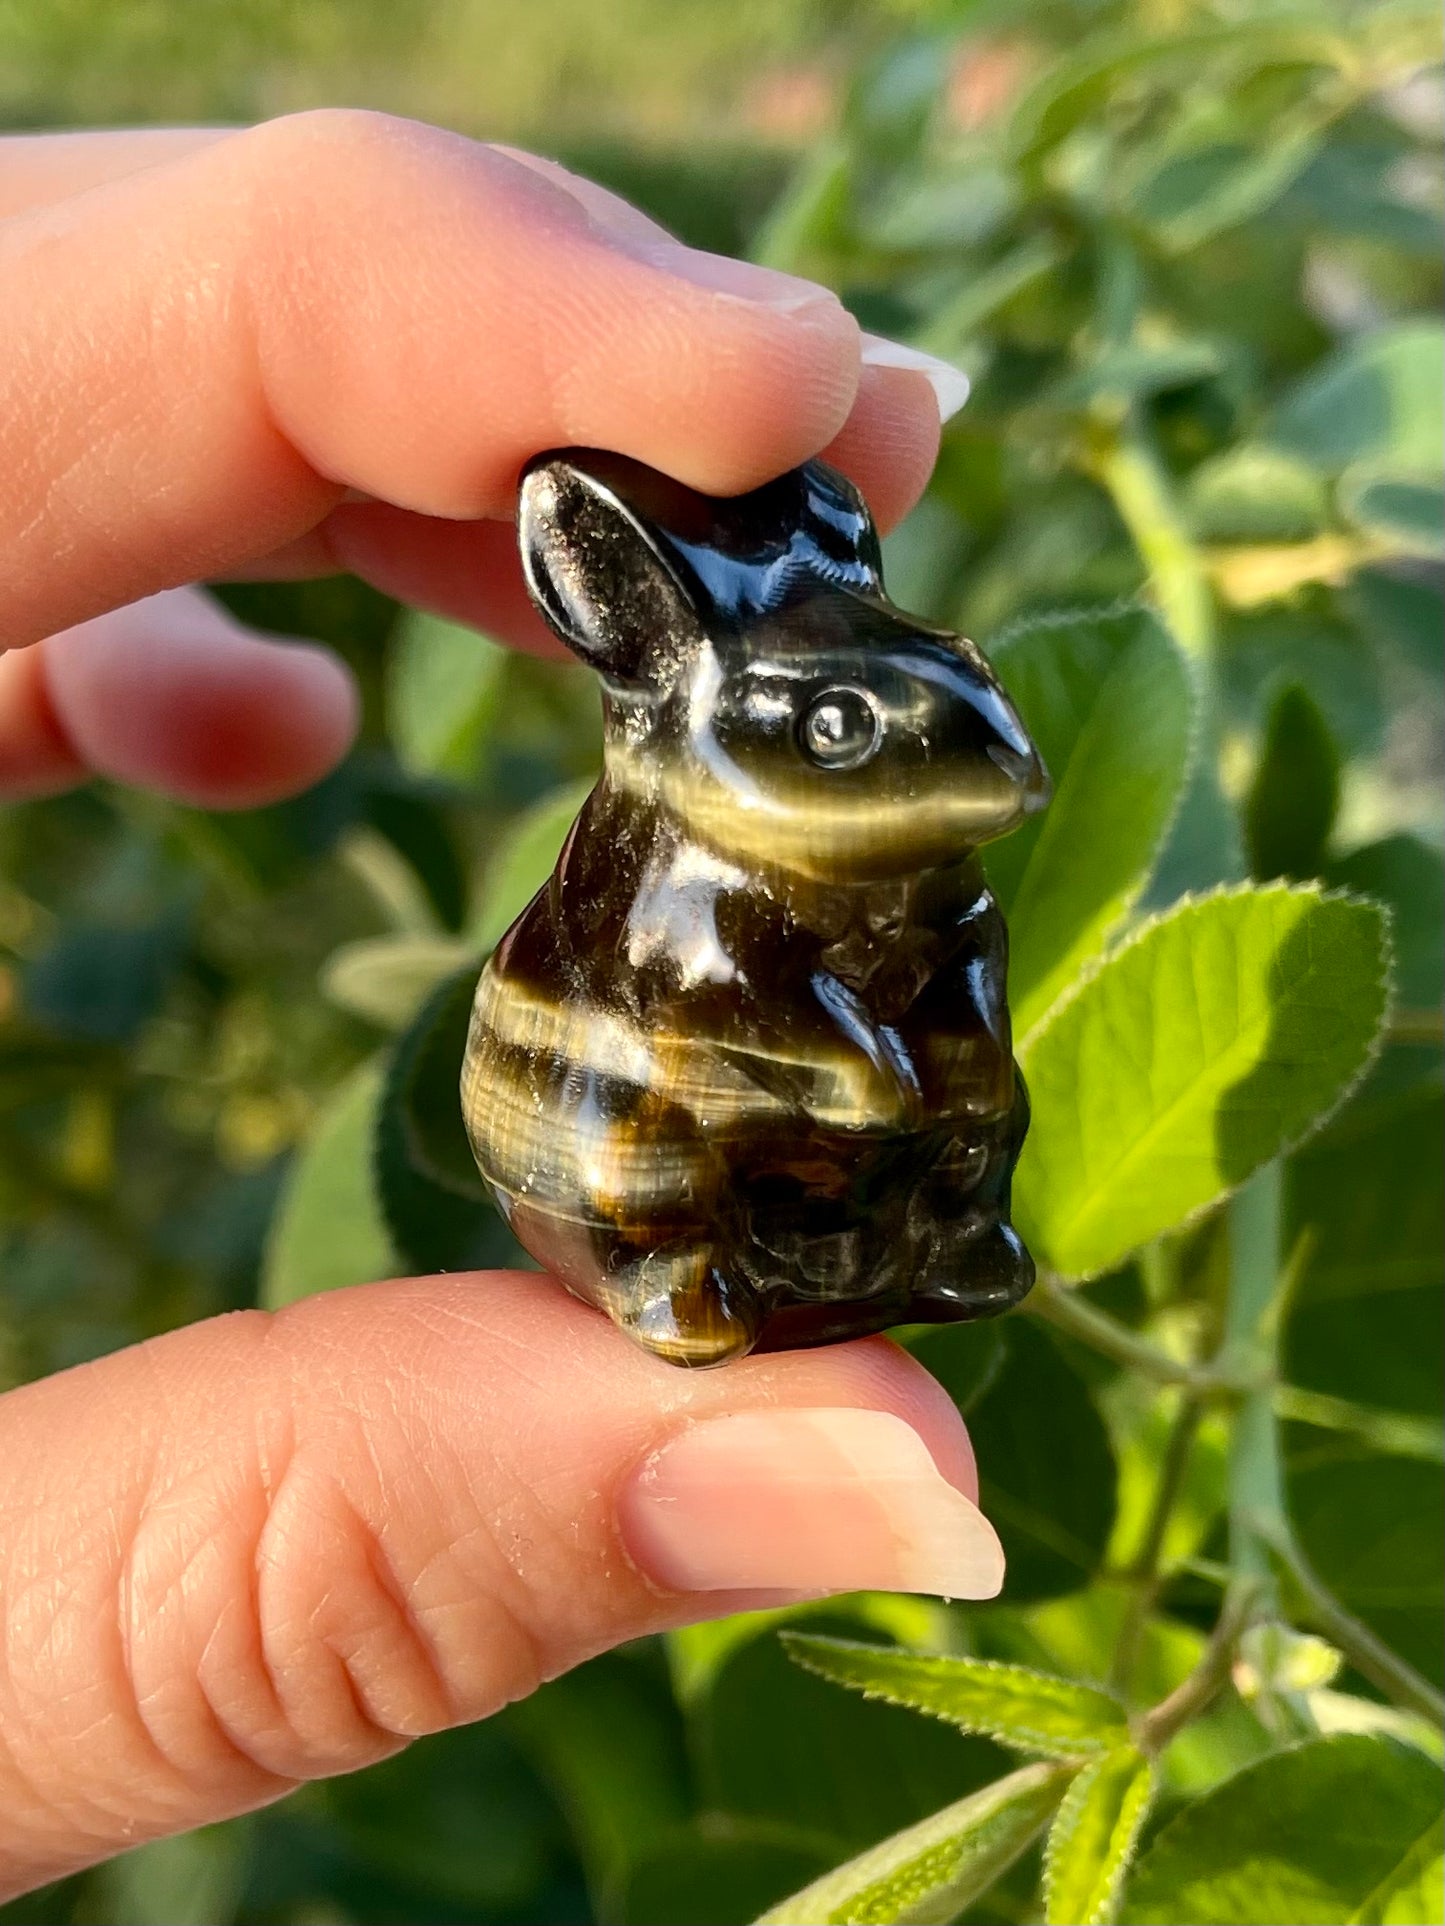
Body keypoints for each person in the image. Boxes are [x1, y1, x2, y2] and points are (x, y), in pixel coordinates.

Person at [0, 113, 1001, 1902]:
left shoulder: (887, 845)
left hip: (833, 1161)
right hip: (654, 1143)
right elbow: (734, 1023)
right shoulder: (692, 885)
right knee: (692, 1153)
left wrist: (944, 1091)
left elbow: (938, 981)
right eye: (844, 730)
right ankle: (688, 1271)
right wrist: (863, 1090)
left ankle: (916, 1236)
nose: (972, 756)